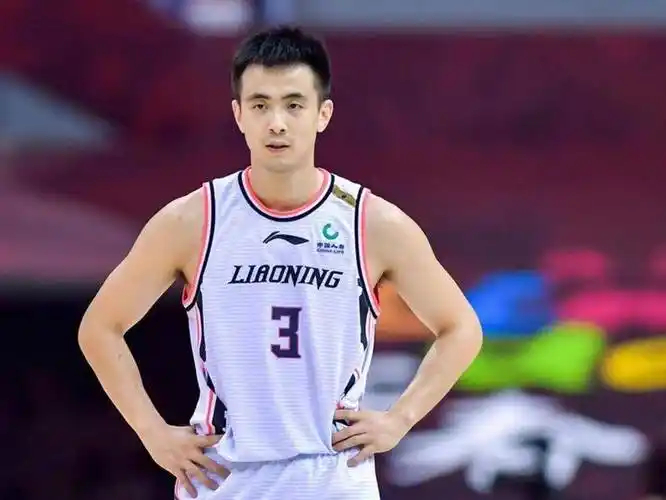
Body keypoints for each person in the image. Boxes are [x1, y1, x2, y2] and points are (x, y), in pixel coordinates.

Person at [78, 26, 483, 500]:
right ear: (238, 115)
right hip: (224, 477)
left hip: (332, 477)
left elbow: (461, 328)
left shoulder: (373, 222)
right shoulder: (192, 220)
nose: (277, 123)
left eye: (294, 105)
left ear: (322, 114)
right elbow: (99, 328)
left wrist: (399, 419)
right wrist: (152, 433)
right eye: (260, 105)